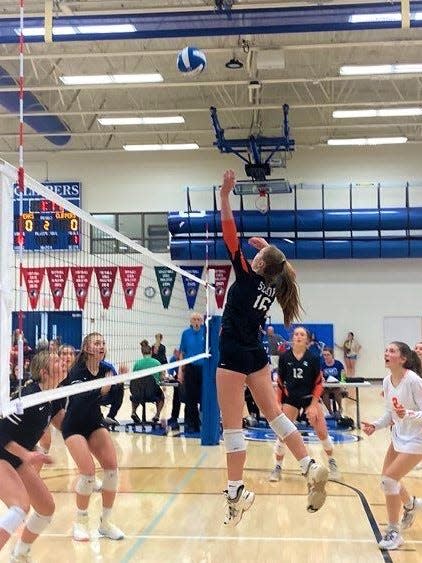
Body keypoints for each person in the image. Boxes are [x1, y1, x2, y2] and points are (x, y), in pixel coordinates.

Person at [216, 169, 328, 527]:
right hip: (257, 356)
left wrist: (224, 196)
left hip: (233, 356)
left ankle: (235, 494)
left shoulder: (248, 277)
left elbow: (229, 232)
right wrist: (266, 249)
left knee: (233, 428)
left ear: (259, 264)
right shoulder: (273, 285)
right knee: (276, 416)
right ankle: (308, 464)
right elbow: (284, 269)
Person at [0, 351, 66, 561]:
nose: (63, 361)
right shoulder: (26, 396)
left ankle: (19, 554)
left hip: (18, 457)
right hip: (2, 452)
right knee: (19, 507)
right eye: (56, 360)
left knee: (46, 509)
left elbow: (66, 425)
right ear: (44, 372)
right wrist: (28, 455)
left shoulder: (55, 397)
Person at [61, 332, 124, 542]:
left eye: (103, 343)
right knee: (88, 473)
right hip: (74, 426)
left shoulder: (106, 369)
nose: (101, 346)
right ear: (87, 347)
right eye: (97, 343)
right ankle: (80, 523)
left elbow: (113, 399)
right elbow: (80, 399)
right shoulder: (77, 370)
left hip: (94, 423)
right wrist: (102, 390)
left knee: (112, 469)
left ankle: (105, 524)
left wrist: (119, 382)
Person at [362, 341, 422, 550]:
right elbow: (391, 413)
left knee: (389, 479)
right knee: (388, 478)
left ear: (403, 358)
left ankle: (394, 532)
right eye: (385, 350)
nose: (386, 353)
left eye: (392, 351)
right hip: (399, 435)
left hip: (418, 439)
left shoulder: (413, 381)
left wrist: (409, 414)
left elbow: (415, 413)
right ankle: (411, 505)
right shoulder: (387, 381)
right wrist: (375, 426)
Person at [269, 328, 339, 483]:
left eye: (302, 334)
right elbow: (280, 383)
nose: (298, 336)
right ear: (292, 338)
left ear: (307, 340)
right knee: (282, 433)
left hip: (309, 398)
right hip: (291, 398)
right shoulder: (285, 357)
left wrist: (314, 405)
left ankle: (332, 463)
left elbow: (319, 383)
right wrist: (278, 402)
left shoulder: (313, 358)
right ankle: (278, 466)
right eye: (296, 334)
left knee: (322, 432)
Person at [178, 312, 206, 434]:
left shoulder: (206, 332)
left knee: (204, 396)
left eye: (198, 319)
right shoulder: (185, 333)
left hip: (204, 369)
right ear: (190, 321)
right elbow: (182, 353)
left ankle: (203, 422)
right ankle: (191, 424)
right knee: (190, 398)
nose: (196, 322)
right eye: (194, 319)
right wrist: (180, 371)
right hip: (190, 368)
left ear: (202, 321)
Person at [130, 343, 165, 425]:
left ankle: (133, 412)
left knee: (135, 394)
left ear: (142, 352)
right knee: (161, 397)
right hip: (152, 393)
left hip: (139, 393)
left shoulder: (137, 364)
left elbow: (134, 378)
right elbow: (162, 378)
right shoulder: (157, 363)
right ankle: (157, 415)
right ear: (151, 352)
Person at [320, 347, 346, 417]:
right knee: (324, 395)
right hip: (327, 386)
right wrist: (322, 378)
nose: (326, 357)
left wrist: (342, 383)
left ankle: (340, 408)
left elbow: (343, 375)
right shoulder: (322, 365)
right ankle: (330, 411)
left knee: (337, 392)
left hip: (336, 385)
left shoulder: (338, 364)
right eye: (324, 355)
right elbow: (321, 375)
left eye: (328, 355)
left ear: (332, 355)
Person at [167, 348, 182, 431]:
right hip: (178, 381)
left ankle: (192, 419)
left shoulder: (189, 357)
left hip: (191, 379)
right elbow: (170, 374)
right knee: (176, 396)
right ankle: (174, 417)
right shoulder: (173, 359)